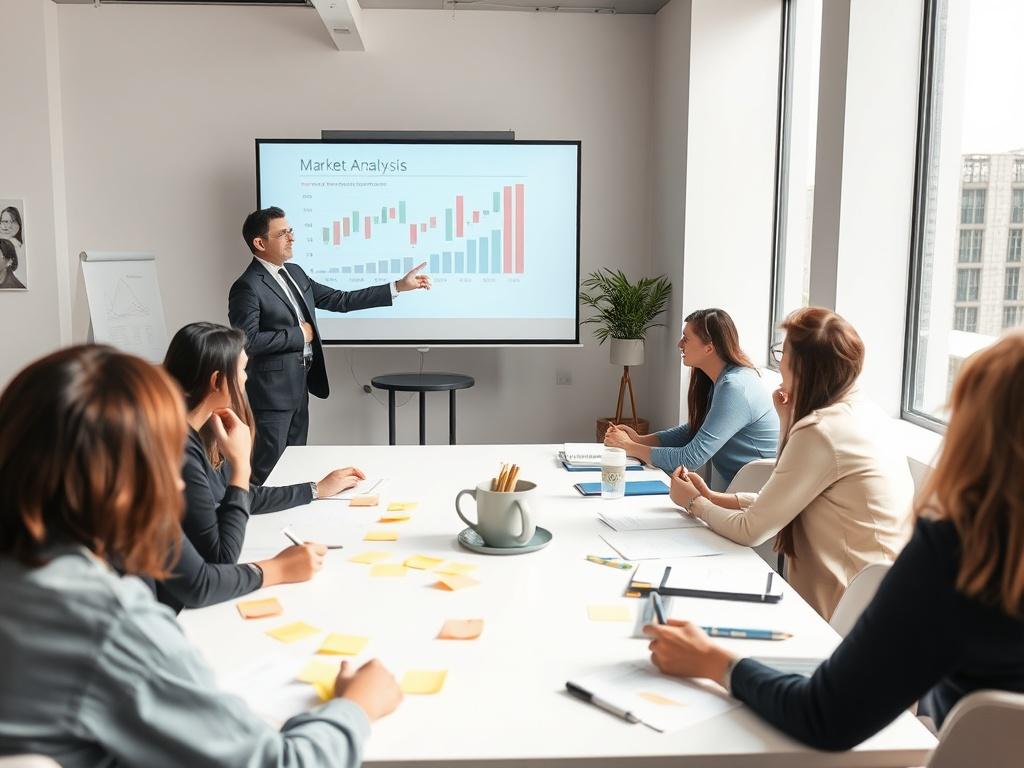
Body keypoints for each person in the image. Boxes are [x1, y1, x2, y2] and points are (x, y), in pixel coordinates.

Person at [0, 345, 402, 766]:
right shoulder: (108, 623)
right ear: (119, 485)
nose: (175, 490)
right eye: (160, 464)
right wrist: (357, 707)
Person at [644, 330, 1024, 751]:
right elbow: (794, 494)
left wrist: (715, 662)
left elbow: (825, 717)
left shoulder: (960, 555)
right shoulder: (865, 417)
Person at [667, 307, 914, 619]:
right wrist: (714, 498)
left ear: (802, 367)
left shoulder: (822, 432)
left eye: (783, 351)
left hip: (843, 612)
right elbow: (787, 498)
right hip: (882, 599)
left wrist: (693, 503)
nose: (779, 361)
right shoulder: (866, 414)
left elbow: (750, 530)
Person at [229, 206, 432, 484]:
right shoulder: (248, 286)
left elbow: (341, 300)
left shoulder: (295, 273)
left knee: (294, 464)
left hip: (299, 385)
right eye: (282, 233)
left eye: (291, 231)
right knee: (269, 469)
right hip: (271, 394)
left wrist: (397, 286)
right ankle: (251, 521)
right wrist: (300, 335)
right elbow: (246, 341)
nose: (291, 238)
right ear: (260, 243)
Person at [164, 322, 367, 568]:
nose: (246, 378)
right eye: (242, 369)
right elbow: (222, 557)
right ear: (217, 381)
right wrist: (240, 465)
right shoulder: (180, 451)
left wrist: (317, 489)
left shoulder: (203, 430)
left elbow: (246, 496)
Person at [604, 308, 778, 488]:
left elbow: (690, 458)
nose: (679, 344)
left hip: (759, 493)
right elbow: (696, 429)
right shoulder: (720, 380)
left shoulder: (734, 387)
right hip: (742, 489)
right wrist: (640, 440)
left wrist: (630, 447)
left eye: (686, 339)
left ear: (709, 348)